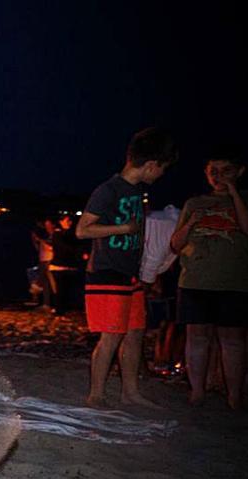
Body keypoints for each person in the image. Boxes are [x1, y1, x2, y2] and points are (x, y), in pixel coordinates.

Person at [77, 127, 176, 409]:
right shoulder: (108, 190)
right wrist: (122, 227)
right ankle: (96, 394)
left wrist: (149, 273)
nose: (161, 175)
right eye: (163, 169)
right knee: (112, 334)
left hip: (130, 273)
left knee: (135, 331)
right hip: (107, 272)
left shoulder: (136, 192)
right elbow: (82, 231)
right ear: (151, 165)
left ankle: (130, 392)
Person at [170, 147, 248, 409]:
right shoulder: (194, 203)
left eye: (226, 171)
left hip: (234, 283)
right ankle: (197, 392)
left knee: (232, 340)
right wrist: (190, 224)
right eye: (213, 171)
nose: (218, 176)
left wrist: (233, 192)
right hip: (195, 280)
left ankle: (234, 396)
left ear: (239, 172)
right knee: (197, 337)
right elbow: (176, 244)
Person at [31, 218, 57, 310]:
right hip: (43, 259)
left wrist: (40, 240)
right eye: (46, 225)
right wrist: (35, 241)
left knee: (50, 282)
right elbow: (39, 248)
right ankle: (46, 303)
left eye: (48, 225)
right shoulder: (47, 235)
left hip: (49, 259)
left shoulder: (55, 234)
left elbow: (52, 247)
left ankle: (56, 304)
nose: (47, 227)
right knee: (45, 283)